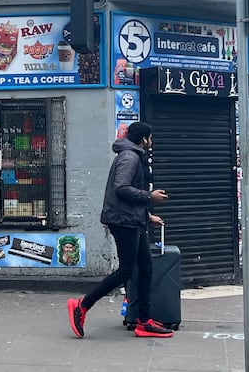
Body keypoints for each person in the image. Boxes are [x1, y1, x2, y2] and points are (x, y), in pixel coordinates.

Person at [67, 121, 172, 338]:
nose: (152, 141)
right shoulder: (129, 157)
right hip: (123, 222)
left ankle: (143, 321)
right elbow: (121, 188)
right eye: (150, 137)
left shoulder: (133, 155)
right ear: (144, 139)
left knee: (146, 267)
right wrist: (149, 197)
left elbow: (126, 193)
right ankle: (82, 305)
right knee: (126, 270)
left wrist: (147, 216)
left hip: (133, 220)